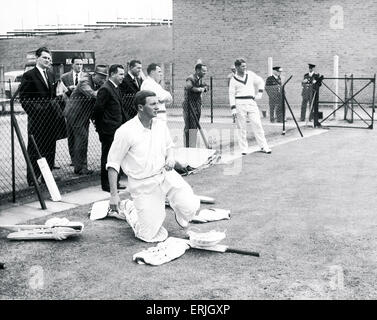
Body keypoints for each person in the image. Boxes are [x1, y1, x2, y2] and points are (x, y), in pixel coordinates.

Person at [106, 90, 200, 242]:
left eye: (158, 103)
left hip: (165, 175)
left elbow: (170, 146)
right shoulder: (125, 131)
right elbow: (113, 164)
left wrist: (170, 158)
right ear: (140, 107)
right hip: (143, 184)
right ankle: (130, 209)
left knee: (191, 208)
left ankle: (175, 206)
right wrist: (114, 195)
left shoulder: (160, 125)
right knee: (149, 236)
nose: (158, 106)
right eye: (153, 104)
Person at [19, 47, 62, 186]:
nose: (48, 61)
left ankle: (46, 177)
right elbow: (24, 99)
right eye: (45, 58)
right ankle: (33, 178)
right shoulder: (29, 75)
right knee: (35, 149)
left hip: (51, 120)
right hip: (37, 121)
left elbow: (52, 96)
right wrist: (37, 112)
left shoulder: (50, 75)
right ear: (37, 58)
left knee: (50, 149)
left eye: (49, 59)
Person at [65, 65, 108, 175]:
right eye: (101, 77)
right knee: (81, 139)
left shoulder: (97, 83)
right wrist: (105, 88)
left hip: (83, 115)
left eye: (105, 78)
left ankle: (79, 166)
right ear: (94, 75)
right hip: (75, 114)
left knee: (79, 140)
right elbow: (93, 94)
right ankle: (81, 168)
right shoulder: (85, 81)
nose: (103, 80)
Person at [92, 64, 127, 192]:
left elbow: (119, 109)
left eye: (123, 74)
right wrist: (100, 127)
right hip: (108, 130)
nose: (123, 77)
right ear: (112, 74)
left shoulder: (116, 88)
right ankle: (107, 185)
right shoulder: (105, 89)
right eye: (121, 74)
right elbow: (98, 110)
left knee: (115, 157)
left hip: (117, 129)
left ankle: (115, 182)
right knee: (107, 157)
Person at [229, 58, 271, 155]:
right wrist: (233, 109)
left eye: (245, 66)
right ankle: (244, 149)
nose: (245, 67)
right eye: (242, 66)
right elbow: (231, 94)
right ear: (237, 67)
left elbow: (261, 82)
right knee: (241, 127)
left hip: (251, 102)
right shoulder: (233, 80)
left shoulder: (250, 74)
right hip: (239, 103)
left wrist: (259, 93)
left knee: (257, 124)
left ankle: (264, 146)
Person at [61, 57, 85, 166]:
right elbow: (61, 93)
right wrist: (68, 89)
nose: (79, 66)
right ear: (72, 65)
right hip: (70, 111)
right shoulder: (65, 77)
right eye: (77, 64)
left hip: (82, 112)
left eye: (81, 64)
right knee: (71, 136)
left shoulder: (86, 77)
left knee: (82, 137)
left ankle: (82, 161)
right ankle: (73, 159)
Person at [182, 63, 209, 148]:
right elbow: (188, 87)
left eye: (206, 71)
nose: (205, 72)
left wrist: (204, 88)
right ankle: (188, 147)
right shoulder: (191, 78)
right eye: (203, 71)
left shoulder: (200, 79)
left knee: (195, 126)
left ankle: (192, 146)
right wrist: (199, 89)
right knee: (190, 126)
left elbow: (206, 87)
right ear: (197, 70)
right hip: (189, 105)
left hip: (197, 104)